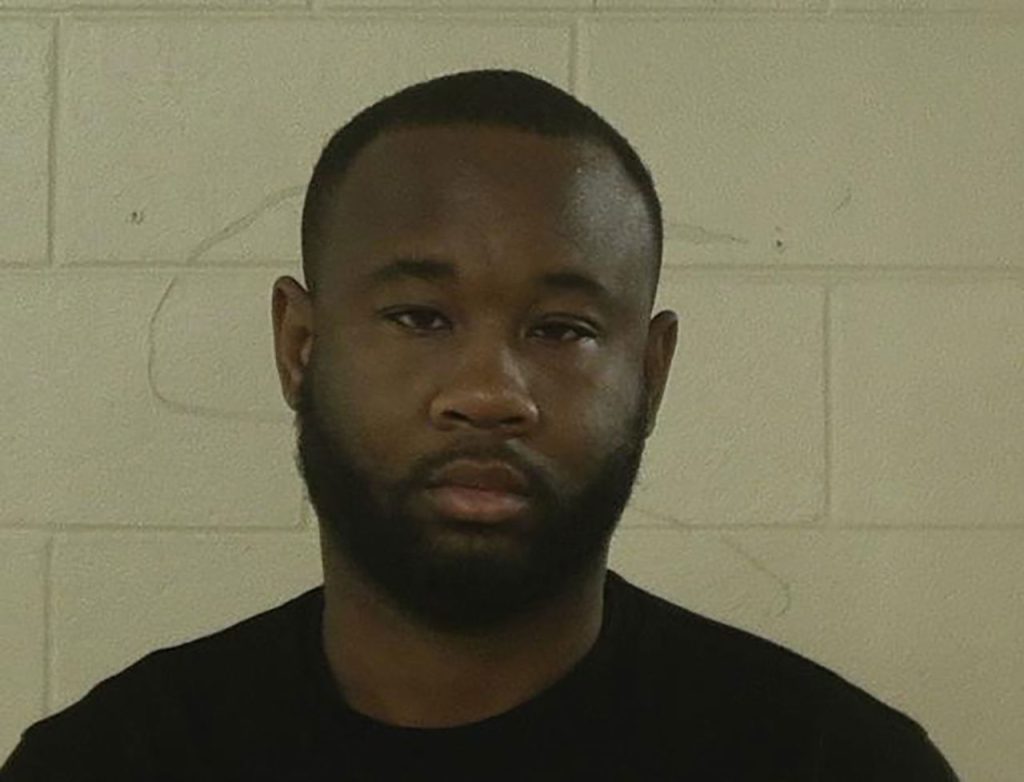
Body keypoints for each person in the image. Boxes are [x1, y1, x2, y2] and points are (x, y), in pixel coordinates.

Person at [1, 69, 958, 781]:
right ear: (300, 345)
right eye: (421, 317)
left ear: (651, 373)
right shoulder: (108, 762)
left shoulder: (838, 763)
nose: (490, 393)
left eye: (562, 330)